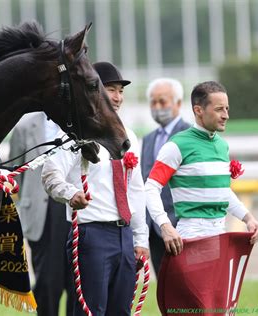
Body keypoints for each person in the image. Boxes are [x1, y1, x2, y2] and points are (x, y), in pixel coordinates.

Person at [41, 62, 149, 315]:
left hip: (125, 236)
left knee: (121, 311)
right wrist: (70, 194)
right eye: (111, 89)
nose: (117, 97)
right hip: (92, 234)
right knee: (91, 310)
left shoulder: (129, 136)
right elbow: (50, 174)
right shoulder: (76, 134)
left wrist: (140, 238)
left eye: (120, 91)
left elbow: (136, 190)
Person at [145, 81, 258, 256]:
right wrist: (165, 225)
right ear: (198, 110)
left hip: (220, 232)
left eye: (227, 109)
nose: (226, 115)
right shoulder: (177, 145)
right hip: (192, 235)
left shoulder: (222, 145)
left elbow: (221, 191)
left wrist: (248, 218)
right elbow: (151, 187)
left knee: (219, 285)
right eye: (219, 109)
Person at [9, 113, 74, 316]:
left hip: (74, 208)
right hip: (40, 212)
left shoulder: (79, 120)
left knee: (76, 283)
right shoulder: (25, 126)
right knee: (47, 282)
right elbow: (15, 172)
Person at [140, 78, 190, 273]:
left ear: (178, 102)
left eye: (163, 101)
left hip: (180, 227)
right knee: (165, 293)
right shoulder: (149, 138)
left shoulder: (189, 134)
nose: (157, 107)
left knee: (186, 295)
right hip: (154, 229)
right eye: (153, 102)